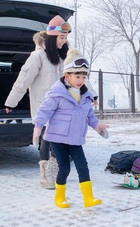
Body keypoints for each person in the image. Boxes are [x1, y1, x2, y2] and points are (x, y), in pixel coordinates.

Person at [4, 15, 97, 189]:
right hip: (44, 106)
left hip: (63, 107)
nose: (64, 41)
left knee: (59, 139)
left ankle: (56, 170)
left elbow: (78, 76)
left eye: (66, 38)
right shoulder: (37, 56)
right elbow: (23, 80)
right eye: (61, 38)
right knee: (46, 138)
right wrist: (11, 102)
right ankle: (45, 173)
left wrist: (92, 94)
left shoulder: (64, 58)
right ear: (52, 37)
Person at [32, 48, 108, 208]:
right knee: (64, 168)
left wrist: (97, 126)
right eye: (77, 76)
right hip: (57, 138)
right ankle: (59, 197)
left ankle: (88, 198)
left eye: (84, 76)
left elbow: (89, 116)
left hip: (75, 139)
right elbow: (45, 110)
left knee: (83, 166)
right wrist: (38, 126)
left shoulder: (86, 96)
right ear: (67, 75)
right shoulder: (57, 93)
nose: (81, 80)